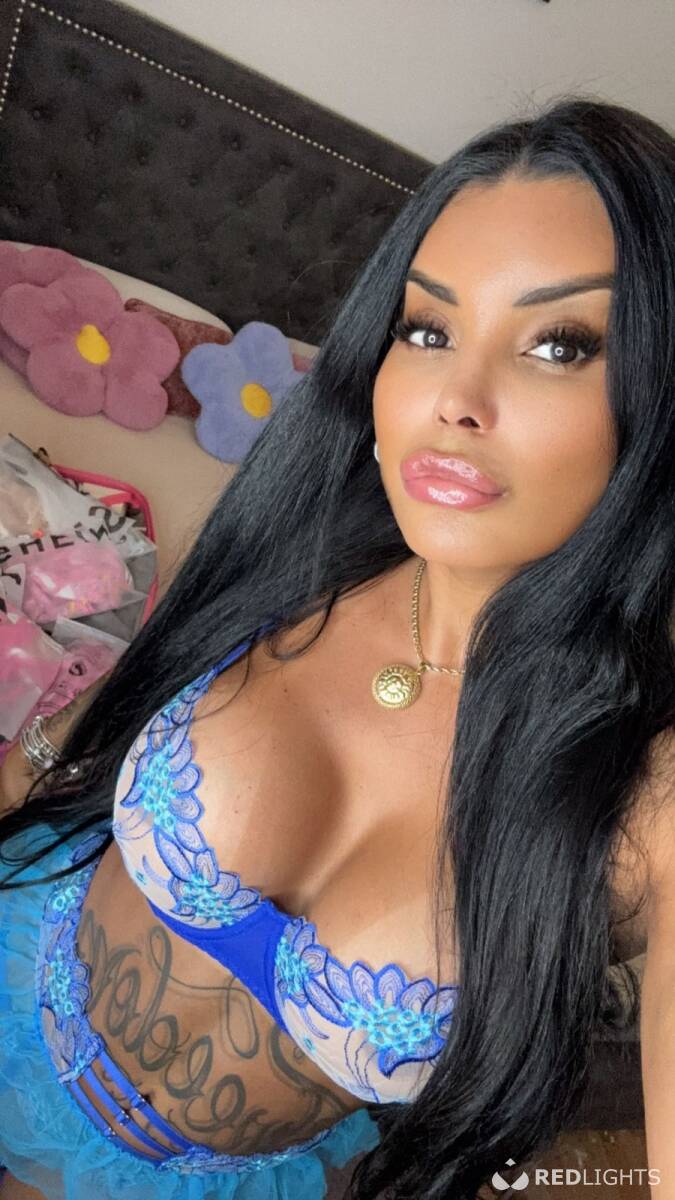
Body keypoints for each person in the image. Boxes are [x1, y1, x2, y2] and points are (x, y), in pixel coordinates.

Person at [0, 93, 674, 1200]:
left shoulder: (645, 798)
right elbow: (85, 735)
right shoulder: (302, 536)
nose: (455, 400)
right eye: (428, 330)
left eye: (558, 345)